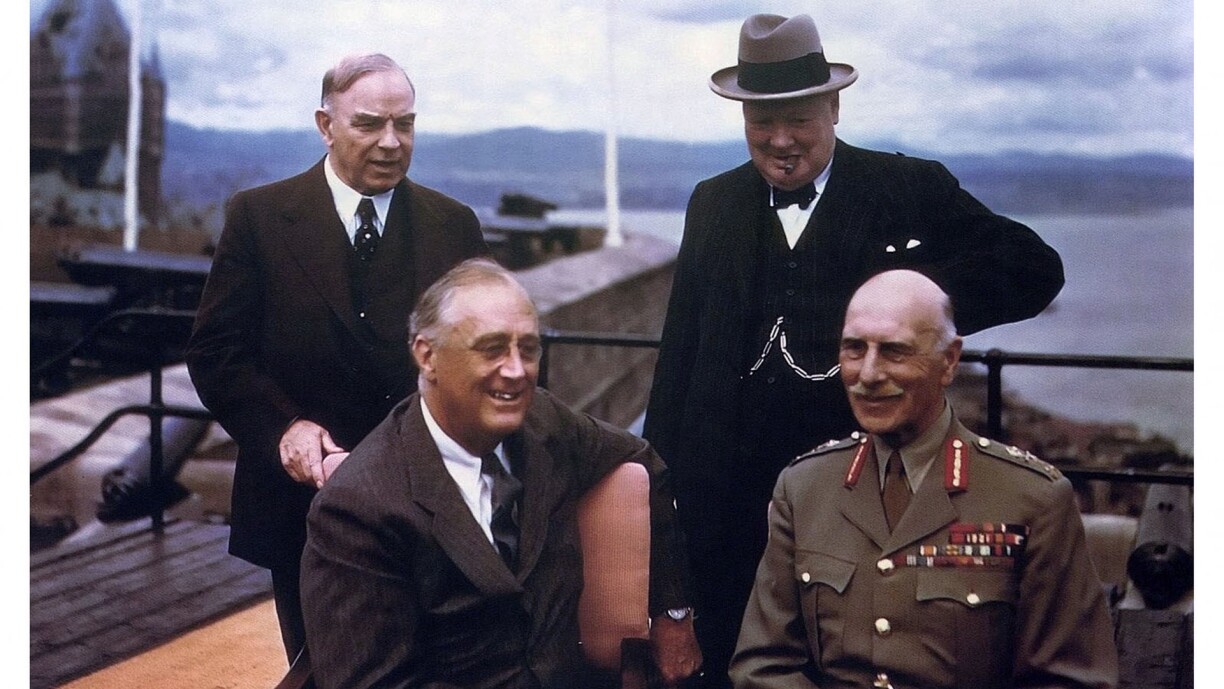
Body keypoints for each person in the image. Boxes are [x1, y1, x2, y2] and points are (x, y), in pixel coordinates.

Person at [642, 14, 1066, 685]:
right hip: (723, 535)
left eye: (800, 119)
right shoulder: (712, 203)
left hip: (858, 522)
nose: (781, 142)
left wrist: (910, 301)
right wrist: (666, 583)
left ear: (834, 107)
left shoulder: (907, 188)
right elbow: (675, 376)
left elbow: (1036, 267)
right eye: (762, 121)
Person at [185, 53, 488, 661]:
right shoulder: (259, 217)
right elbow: (218, 352)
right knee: (318, 670)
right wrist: (284, 429)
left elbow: (483, 358)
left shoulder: (454, 226)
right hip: (300, 509)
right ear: (325, 125)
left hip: (428, 511)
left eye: (405, 124)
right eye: (370, 124)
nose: (391, 142)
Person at [299, 259, 702, 689]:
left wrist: (672, 610)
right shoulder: (359, 509)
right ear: (426, 354)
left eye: (528, 349)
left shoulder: (543, 422)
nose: (516, 371)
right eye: (491, 348)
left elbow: (643, 459)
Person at [730, 270, 1118, 689]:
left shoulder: (1031, 499)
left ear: (949, 360)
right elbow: (763, 665)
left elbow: (1069, 680)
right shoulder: (805, 488)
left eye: (895, 352)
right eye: (854, 349)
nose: (869, 374)